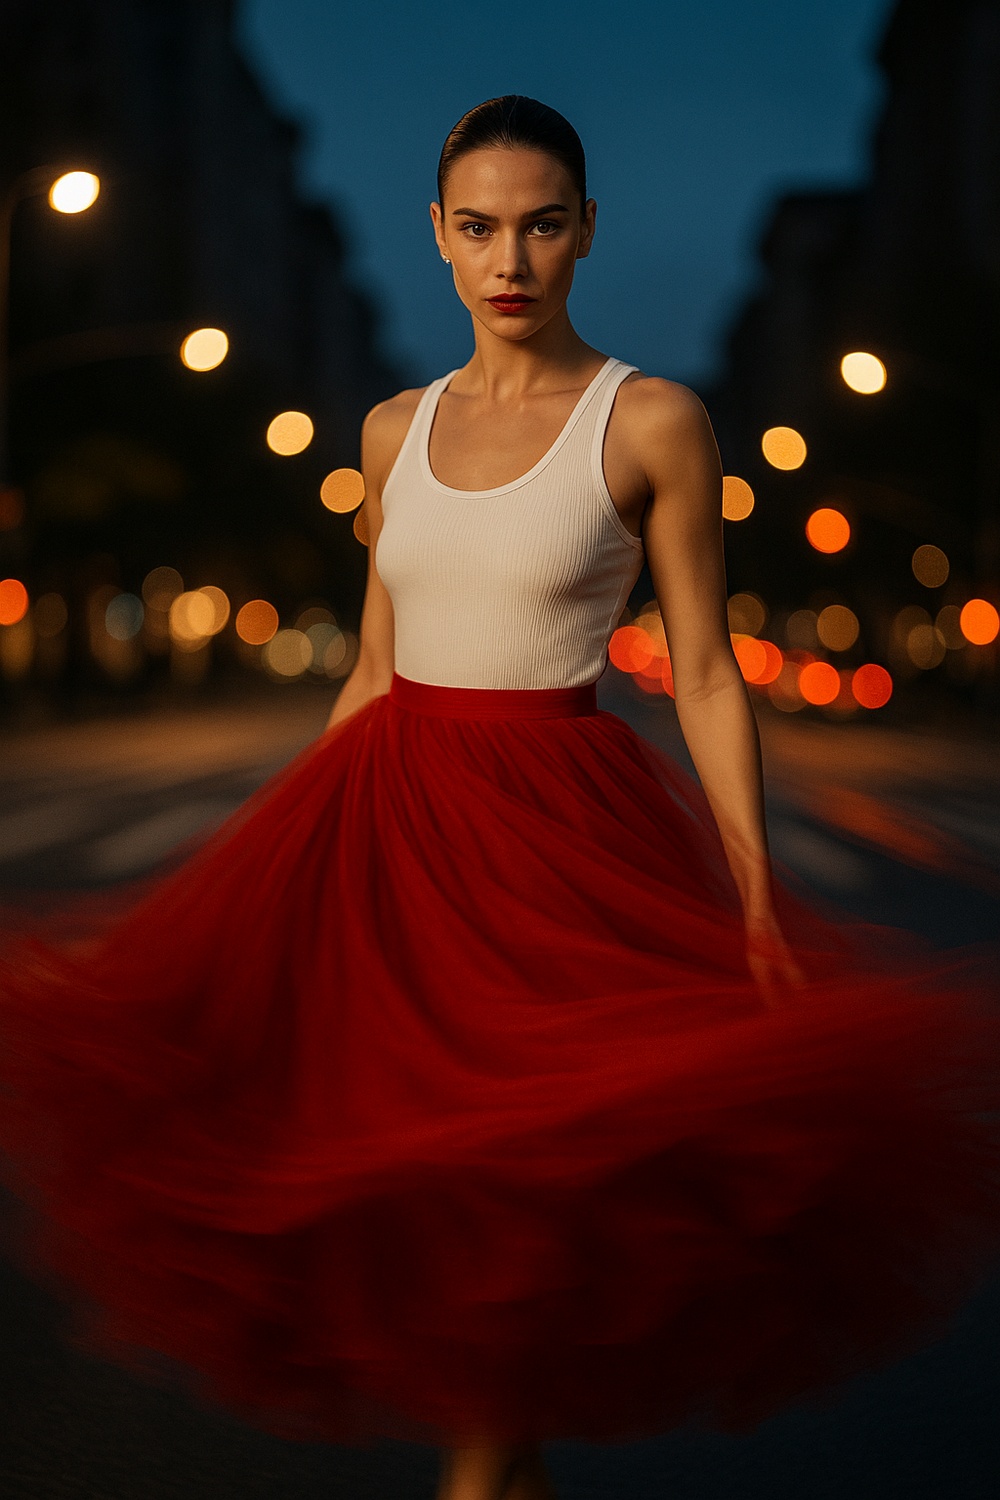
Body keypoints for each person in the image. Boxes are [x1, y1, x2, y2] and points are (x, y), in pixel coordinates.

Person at [1, 96, 999, 1500]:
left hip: (556, 848)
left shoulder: (652, 419)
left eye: (540, 226)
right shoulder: (391, 427)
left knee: (510, 1267)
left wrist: (756, 901)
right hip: (393, 835)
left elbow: (708, 676)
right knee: (433, 1240)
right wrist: (253, 885)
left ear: (587, 232)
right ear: (438, 238)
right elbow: (368, 672)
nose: (510, 260)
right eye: (478, 229)